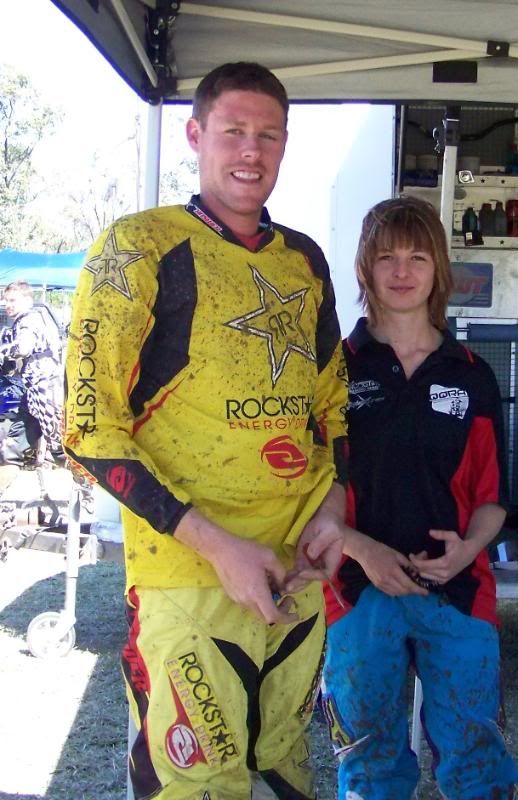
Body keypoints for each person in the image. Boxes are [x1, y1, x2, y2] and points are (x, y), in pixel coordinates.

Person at [63, 62, 347, 800]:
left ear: (285, 144)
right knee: (196, 785)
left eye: (268, 135)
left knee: (285, 771)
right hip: (187, 580)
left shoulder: (304, 259)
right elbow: (89, 429)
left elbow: (331, 403)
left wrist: (334, 505)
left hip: (295, 576)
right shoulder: (136, 247)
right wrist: (220, 547)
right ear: (195, 135)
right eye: (233, 131)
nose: (251, 151)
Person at [321, 196, 518, 800]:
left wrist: (468, 550)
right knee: (370, 763)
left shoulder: (471, 374)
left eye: (417, 257)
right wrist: (361, 550)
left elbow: (492, 499)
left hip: (457, 593)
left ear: (438, 268)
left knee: (476, 757)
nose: (402, 271)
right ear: (366, 267)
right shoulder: (334, 371)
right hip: (357, 592)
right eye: (387, 257)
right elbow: (309, 489)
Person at [1, 280, 64, 466]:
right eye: (6, 300)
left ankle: (80, 475)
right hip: (34, 386)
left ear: (27, 300)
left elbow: (23, 348)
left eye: (12, 300)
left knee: (57, 440)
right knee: (22, 428)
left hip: (46, 386)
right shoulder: (30, 318)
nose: (7, 304)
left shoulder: (29, 319)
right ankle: (9, 462)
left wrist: (3, 351)